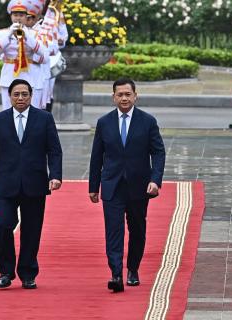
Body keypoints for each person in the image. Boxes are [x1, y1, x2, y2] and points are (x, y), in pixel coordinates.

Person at [0, 79, 63, 289]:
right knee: (3, 226)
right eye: (16, 94)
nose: (20, 98)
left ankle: (28, 272)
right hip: (6, 185)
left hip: (34, 183)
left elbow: (54, 150)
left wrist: (55, 175)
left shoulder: (44, 119)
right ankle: (6, 272)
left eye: (24, 94)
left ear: (31, 95)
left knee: (31, 229)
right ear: (10, 96)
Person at [89, 78, 166, 293]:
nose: (124, 98)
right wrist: (93, 186)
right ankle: (116, 273)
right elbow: (97, 156)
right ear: (113, 97)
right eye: (120, 95)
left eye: (127, 94)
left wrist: (155, 180)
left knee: (137, 229)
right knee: (113, 231)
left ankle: (133, 269)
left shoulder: (147, 121)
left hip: (139, 186)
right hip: (112, 186)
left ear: (135, 96)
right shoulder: (104, 122)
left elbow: (158, 152)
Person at [0, 0, 48, 110]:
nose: (18, 18)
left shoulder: (34, 33)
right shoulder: (3, 33)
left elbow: (43, 53)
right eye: (15, 15)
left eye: (21, 15)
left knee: (32, 112)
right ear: (11, 16)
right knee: (8, 111)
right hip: (10, 76)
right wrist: (8, 35)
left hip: (30, 75)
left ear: (26, 16)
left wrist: (27, 37)